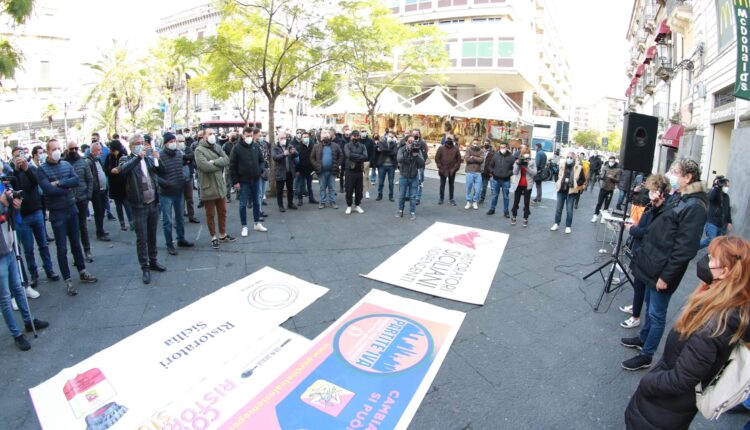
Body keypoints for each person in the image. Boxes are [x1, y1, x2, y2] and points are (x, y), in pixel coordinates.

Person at [624, 236, 750, 429]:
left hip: (662, 409)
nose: (705, 262)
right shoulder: (721, 304)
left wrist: (649, 382)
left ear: (724, 272)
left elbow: (682, 379)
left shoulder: (713, 324)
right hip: (669, 407)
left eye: (711, 258)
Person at [621, 157, 708, 371]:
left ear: (688, 177)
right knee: (651, 308)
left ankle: (647, 355)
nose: (672, 176)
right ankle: (643, 339)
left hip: (663, 270)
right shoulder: (680, 196)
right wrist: (658, 205)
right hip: (654, 262)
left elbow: (685, 248)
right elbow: (666, 222)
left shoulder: (695, 205)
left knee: (656, 314)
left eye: (676, 172)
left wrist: (666, 276)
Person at [36, 139, 98, 296]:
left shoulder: (66, 165)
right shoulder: (42, 170)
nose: (57, 151)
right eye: (53, 149)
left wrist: (59, 183)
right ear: (48, 152)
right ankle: (68, 279)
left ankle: (82, 270)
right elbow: (48, 190)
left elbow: (76, 181)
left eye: (58, 148)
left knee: (76, 244)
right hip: (57, 213)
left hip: (71, 209)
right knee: (62, 248)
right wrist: (65, 186)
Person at [0, 186, 49, 351]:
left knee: (19, 288)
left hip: (9, 249)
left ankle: (29, 321)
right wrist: (2, 204)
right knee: (5, 298)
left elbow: (8, 217)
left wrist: (14, 206)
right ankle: (16, 334)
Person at [619, 174, 671, 329]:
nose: (650, 193)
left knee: (641, 285)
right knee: (638, 284)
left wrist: (632, 229)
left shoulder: (661, 210)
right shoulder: (653, 206)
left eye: (652, 190)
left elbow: (648, 231)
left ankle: (635, 316)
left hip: (645, 251)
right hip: (641, 249)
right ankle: (635, 306)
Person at [118, 134, 166, 284]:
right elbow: (123, 170)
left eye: (142, 143)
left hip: (153, 202)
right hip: (139, 205)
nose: (141, 145)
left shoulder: (148, 159)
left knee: (152, 235)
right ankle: (144, 267)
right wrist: (138, 157)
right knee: (142, 238)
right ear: (132, 146)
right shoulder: (126, 159)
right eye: (137, 143)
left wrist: (157, 157)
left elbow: (161, 171)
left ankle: (153, 261)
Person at [9, 147, 58, 293]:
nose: (19, 158)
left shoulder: (31, 169)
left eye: (21, 155)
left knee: (43, 244)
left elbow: (36, 183)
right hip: (23, 217)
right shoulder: (12, 174)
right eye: (16, 156)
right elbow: (15, 188)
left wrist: (26, 169)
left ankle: (49, 270)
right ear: (12, 158)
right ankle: (34, 275)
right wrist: (18, 170)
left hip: (36, 212)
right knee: (28, 249)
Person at [194, 129, 236, 249]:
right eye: (209, 134)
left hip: (220, 185)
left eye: (213, 134)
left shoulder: (217, 146)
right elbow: (205, 167)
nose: (212, 136)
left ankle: (222, 234)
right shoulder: (198, 150)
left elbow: (226, 160)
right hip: (208, 187)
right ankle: (213, 237)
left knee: (223, 212)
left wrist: (213, 162)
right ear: (203, 136)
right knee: (210, 214)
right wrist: (219, 164)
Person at [157, 133, 195, 256]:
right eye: (171, 141)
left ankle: (181, 239)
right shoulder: (159, 156)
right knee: (167, 221)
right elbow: (155, 174)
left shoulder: (179, 154)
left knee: (179, 218)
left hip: (179, 191)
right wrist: (165, 183)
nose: (174, 142)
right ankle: (169, 244)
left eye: (174, 140)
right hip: (166, 193)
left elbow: (184, 164)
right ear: (165, 143)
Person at [231, 127, 268, 237]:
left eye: (251, 135)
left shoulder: (256, 147)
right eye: (247, 135)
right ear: (242, 136)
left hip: (255, 180)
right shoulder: (237, 148)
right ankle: (244, 226)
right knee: (243, 204)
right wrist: (235, 181)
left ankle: (257, 223)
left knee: (257, 202)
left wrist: (260, 170)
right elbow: (232, 166)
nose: (249, 137)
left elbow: (262, 161)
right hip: (243, 181)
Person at [65, 141, 94, 263]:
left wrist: (88, 196)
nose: (74, 151)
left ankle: (87, 250)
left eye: (76, 148)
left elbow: (90, 179)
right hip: (69, 201)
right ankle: (77, 255)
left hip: (82, 199)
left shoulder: (83, 162)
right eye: (71, 149)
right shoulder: (64, 164)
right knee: (72, 229)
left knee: (82, 226)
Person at [550, 151, 586, 234]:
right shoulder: (562, 165)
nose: (569, 159)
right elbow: (556, 175)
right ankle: (556, 223)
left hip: (571, 192)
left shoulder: (578, 167)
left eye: (571, 158)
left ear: (574, 159)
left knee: (569, 210)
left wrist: (576, 183)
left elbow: (583, 179)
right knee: (558, 208)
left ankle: (568, 226)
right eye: (568, 157)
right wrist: (558, 182)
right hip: (561, 190)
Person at [104, 140, 134, 231]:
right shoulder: (109, 157)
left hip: (124, 184)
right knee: (118, 206)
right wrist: (111, 171)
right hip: (114, 185)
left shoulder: (125, 156)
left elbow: (128, 168)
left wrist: (120, 170)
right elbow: (105, 169)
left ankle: (131, 222)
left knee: (127, 204)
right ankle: (122, 224)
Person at [311, 130, 343, 209]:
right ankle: (322, 202)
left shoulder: (335, 146)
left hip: (332, 171)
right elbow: (312, 158)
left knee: (332, 188)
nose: (325, 137)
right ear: (321, 138)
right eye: (324, 136)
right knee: (322, 188)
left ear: (330, 136)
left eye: (327, 136)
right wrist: (316, 166)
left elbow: (341, 155)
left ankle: (333, 202)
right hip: (321, 171)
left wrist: (337, 164)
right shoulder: (316, 146)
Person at [396, 136, 424, 220]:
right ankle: (400, 211)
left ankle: (412, 212)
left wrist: (416, 155)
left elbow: (422, 163)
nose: (411, 143)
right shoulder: (402, 149)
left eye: (413, 141)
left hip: (414, 177)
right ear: (406, 141)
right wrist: (406, 152)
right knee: (401, 195)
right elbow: (399, 159)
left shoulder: (417, 150)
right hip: (403, 176)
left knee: (413, 196)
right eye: (409, 141)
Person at [700, 175, 732, 249]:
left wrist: (729, 221)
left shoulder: (726, 196)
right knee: (711, 240)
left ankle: (713, 255)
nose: (727, 187)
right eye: (726, 185)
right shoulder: (715, 192)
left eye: (728, 186)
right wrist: (716, 186)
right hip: (712, 222)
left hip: (722, 224)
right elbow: (710, 197)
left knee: (718, 243)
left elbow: (728, 209)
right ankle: (694, 247)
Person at [87, 143, 111, 242]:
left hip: (102, 190)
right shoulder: (89, 161)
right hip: (96, 191)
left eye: (100, 150)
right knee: (99, 212)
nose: (100, 152)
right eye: (98, 150)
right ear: (93, 151)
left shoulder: (97, 160)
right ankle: (99, 233)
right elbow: (90, 177)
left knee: (101, 212)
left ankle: (101, 230)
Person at [271, 131, 298, 212]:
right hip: (280, 172)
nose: (283, 140)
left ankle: (290, 203)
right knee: (280, 190)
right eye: (281, 138)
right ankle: (280, 205)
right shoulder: (275, 148)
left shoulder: (290, 146)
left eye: (284, 138)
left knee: (290, 189)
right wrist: (284, 154)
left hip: (289, 172)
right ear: (278, 139)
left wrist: (294, 152)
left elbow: (296, 154)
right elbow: (275, 157)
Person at [343, 130, 368, 214]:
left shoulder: (363, 146)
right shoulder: (347, 145)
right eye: (354, 136)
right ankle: (349, 206)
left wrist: (354, 156)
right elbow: (348, 155)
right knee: (349, 189)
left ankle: (357, 205)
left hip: (359, 171)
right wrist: (359, 156)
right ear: (351, 136)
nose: (356, 137)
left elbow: (365, 157)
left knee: (359, 190)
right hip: (349, 171)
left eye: (357, 136)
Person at [510, 148, 537, 227]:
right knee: (516, 201)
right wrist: (518, 165)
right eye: (525, 152)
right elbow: (514, 172)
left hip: (527, 184)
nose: (526, 154)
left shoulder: (532, 162)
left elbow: (534, 173)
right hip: (518, 184)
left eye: (528, 152)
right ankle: (514, 216)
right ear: (521, 154)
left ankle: (525, 218)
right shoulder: (518, 161)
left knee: (526, 202)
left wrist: (526, 167)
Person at [487, 142, 515, 217]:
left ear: (507, 147)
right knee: (494, 195)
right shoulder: (495, 155)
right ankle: (492, 209)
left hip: (506, 180)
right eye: (501, 147)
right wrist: (493, 172)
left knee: (506, 197)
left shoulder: (511, 157)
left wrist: (509, 173)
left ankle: (506, 212)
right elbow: (490, 166)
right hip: (496, 179)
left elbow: (515, 169)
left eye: (504, 147)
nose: (502, 149)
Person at [591, 156, 621, 223]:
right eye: (610, 161)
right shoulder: (605, 167)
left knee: (607, 204)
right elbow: (601, 176)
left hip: (610, 189)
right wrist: (601, 176)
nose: (611, 163)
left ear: (615, 161)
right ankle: (595, 215)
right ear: (608, 161)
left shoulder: (617, 170)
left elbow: (618, 180)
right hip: (603, 187)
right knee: (599, 202)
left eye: (612, 161)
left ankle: (603, 217)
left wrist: (612, 178)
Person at [177, 134, 200, 224]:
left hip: (188, 177)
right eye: (179, 141)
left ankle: (191, 216)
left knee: (189, 199)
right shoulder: (174, 151)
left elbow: (191, 157)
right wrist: (186, 160)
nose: (181, 143)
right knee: (180, 199)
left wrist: (184, 158)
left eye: (182, 141)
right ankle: (180, 218)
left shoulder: (187, 149)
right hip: (178, 178)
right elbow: (178, 161)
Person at [293, 131, 318, 207]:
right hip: (301, 170)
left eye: (307, 137)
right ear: (302, 138)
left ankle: (311, 198)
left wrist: (314, 169)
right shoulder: (298, 147)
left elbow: (314, 158)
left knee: (309, 185)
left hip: (310, 170)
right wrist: (297, 170)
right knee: (301, 185)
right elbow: (296, 160)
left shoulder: (312, 146)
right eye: (304, 137)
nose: (306, 138)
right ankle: (300, 200)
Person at [434, 136, 461, 205]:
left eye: (450, 139)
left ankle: (451, 199)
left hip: (452, 170)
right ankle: (441, 198)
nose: (449, 140)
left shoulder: (456, 148)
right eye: (448, 139)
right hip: (443, 169)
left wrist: (455, 168)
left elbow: (459, 160)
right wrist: (440, 166)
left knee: (451, 185)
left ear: (453, 140)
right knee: (442, 185)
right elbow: (437, 158)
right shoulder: (441, 148)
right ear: (445, 140)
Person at [375, 132, 397, 202]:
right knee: (381, 181)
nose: (390, 138)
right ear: (386, 136)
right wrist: (387, 150)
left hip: (391, 165)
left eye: (392, 137)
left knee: (391, 182)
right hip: (382, 165)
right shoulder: (381, 142)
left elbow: (394, 152)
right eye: (389, 136)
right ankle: (379, 194)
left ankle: (391, 196)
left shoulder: (394, 144)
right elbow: (382, 149)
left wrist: (384, 151)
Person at [464, 139, 484, 210]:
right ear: (472, 143)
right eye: (474, 143)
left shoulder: (481, 151)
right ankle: (468, 201)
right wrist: (476, 159)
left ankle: (475, 201)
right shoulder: (468, 150)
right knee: (468, 188)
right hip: (469, 172)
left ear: (479, 144)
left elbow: (481, 160)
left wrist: (473, 157)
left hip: (478, 172)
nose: (475, 144)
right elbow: (467, 159)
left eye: (477, 143)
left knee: (478, 189)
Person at [480, 138, 494, 204]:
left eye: (487, 143)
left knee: (484, 186)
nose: (486, 144)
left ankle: (482, 198)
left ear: (489, 144)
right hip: (479, 170)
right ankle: (476, 197)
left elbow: (493, 163)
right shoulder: (480, 150)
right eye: (485, 143)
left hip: (486, 172)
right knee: (478, 186)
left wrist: (491, 171)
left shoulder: (492, 152)